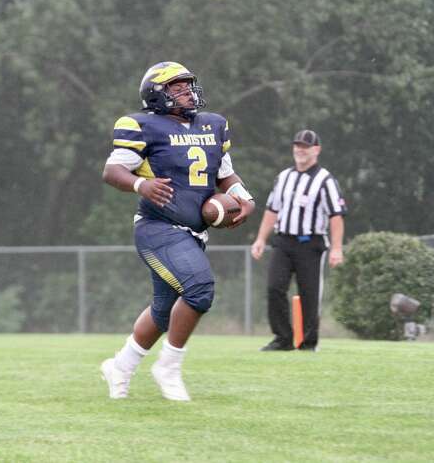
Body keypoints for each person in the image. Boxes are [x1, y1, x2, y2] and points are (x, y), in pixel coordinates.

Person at [100, 61, 255, 401]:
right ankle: (168, 366)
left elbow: (225, 174)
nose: (187, 91)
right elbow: (112, 171)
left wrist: (244, 198)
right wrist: (141, 184)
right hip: (158, 228)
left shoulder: (213, 125)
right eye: (176, 86)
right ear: (156, 93)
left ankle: (120, 367)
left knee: (161, 311)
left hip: (194, 233)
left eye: (188, 84)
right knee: (199, 289)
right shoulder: (141, 126)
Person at [251, 129, 346, 352]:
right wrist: (260, 239)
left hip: (310, 243)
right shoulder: (283, 177)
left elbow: (336, 216)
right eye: (297, 146)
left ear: (316, 150)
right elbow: (272, 210)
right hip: (283, 241)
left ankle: (308, 343)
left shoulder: (325, 180)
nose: (300, 150)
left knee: (309, 294)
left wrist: (337, 248)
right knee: (275, 287)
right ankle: (282, 338)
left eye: (305, 146)